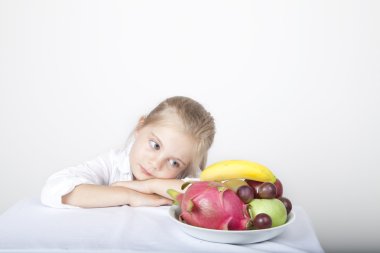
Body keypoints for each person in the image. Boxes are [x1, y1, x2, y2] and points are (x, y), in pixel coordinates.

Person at [40, 96, 215, 208]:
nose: (156, 163)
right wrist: (129, 195)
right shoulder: (112, 163)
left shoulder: (183, 177)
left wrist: (149, 185)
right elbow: (54, 190)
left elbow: (213, 196)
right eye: (155, 145)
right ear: (140, 127)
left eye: (174, 163)